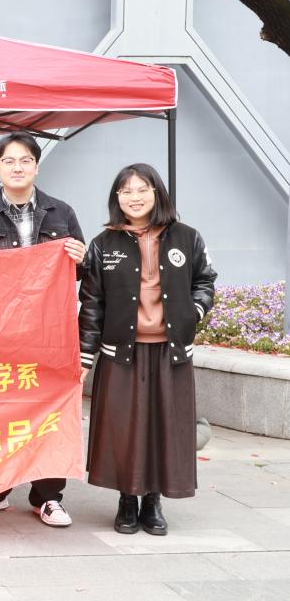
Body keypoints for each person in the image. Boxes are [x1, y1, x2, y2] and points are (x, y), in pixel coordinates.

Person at [0, 131, 87, 528]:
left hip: (49, 334)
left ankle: (47, 497)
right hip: (0, 335)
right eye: (9, 161)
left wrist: (82, 258)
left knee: (49, 410)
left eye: (25, 160)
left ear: (36, 166)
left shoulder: (61, 213)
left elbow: (82, 273)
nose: (17, 167)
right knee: (1, 411)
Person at [80, 164, 216, 536]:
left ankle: (153, 501)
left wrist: (193, 311)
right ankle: (127, 500)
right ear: (117, 198)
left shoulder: (186, 237)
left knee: (162, 426)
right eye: (126, 191)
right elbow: (92, 303)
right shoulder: (103, 243)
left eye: (142, 189)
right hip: (120, 352)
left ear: (157, 193)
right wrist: (85, 356)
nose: (134, 197)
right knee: (123, 429)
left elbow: (205, 280)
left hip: (171, 353)